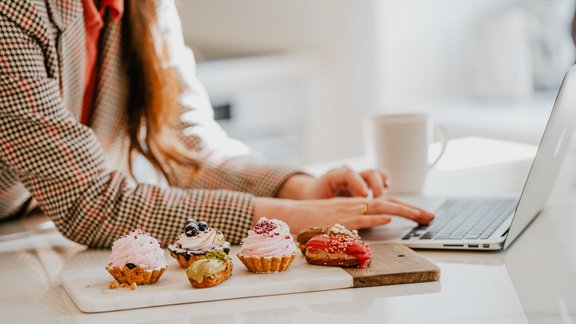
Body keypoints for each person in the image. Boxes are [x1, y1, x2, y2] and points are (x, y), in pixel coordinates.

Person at [0, 0, 433, 248]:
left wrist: (300, 189)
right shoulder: (13, 13)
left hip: (26, 241)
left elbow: (191, 146)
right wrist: (288, 218)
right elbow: (93, 204)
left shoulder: (145, 7)